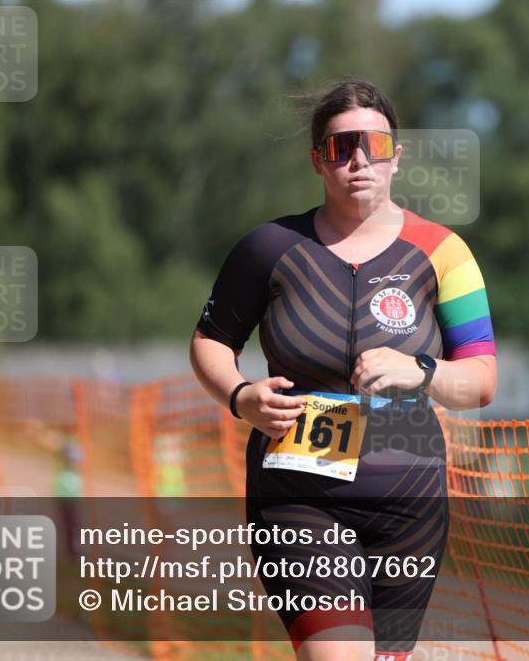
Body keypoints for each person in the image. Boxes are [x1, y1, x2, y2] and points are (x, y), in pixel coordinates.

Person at [190, 78, 497, 661]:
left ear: (396, 157)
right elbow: (209, 342)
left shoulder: (444, 252)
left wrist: (421, 371)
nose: (358, 160)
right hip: (300, 496)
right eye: (340, 147)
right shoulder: (268, 248)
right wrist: (239, 396)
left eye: (374, 146)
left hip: (411, 501)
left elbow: (481, 381)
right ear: (317, 161)